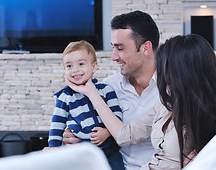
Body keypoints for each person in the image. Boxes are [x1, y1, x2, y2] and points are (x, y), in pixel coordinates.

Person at [66, 34, 216, 169]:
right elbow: (124, 135)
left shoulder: (196, 119)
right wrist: (91, 93)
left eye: (121, 48)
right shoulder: (167, 104)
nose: (161, 73)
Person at [63, 11, 160, 169]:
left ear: (146, 48)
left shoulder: (172, 89)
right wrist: (71, 135)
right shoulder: (108, 87)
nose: (113, 57)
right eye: (113, 48)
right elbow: (86, 123)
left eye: (120, 48)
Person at [47, 40, 125, 170]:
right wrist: (53, 147)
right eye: (69, 66)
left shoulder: (106, 89)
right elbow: (56, 125)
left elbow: (117, 115)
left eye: (81, 64)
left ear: (93, 66)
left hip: (110, 149)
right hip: (83, 149)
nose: (75, 70)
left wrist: (106, 132)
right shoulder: (65, 97)